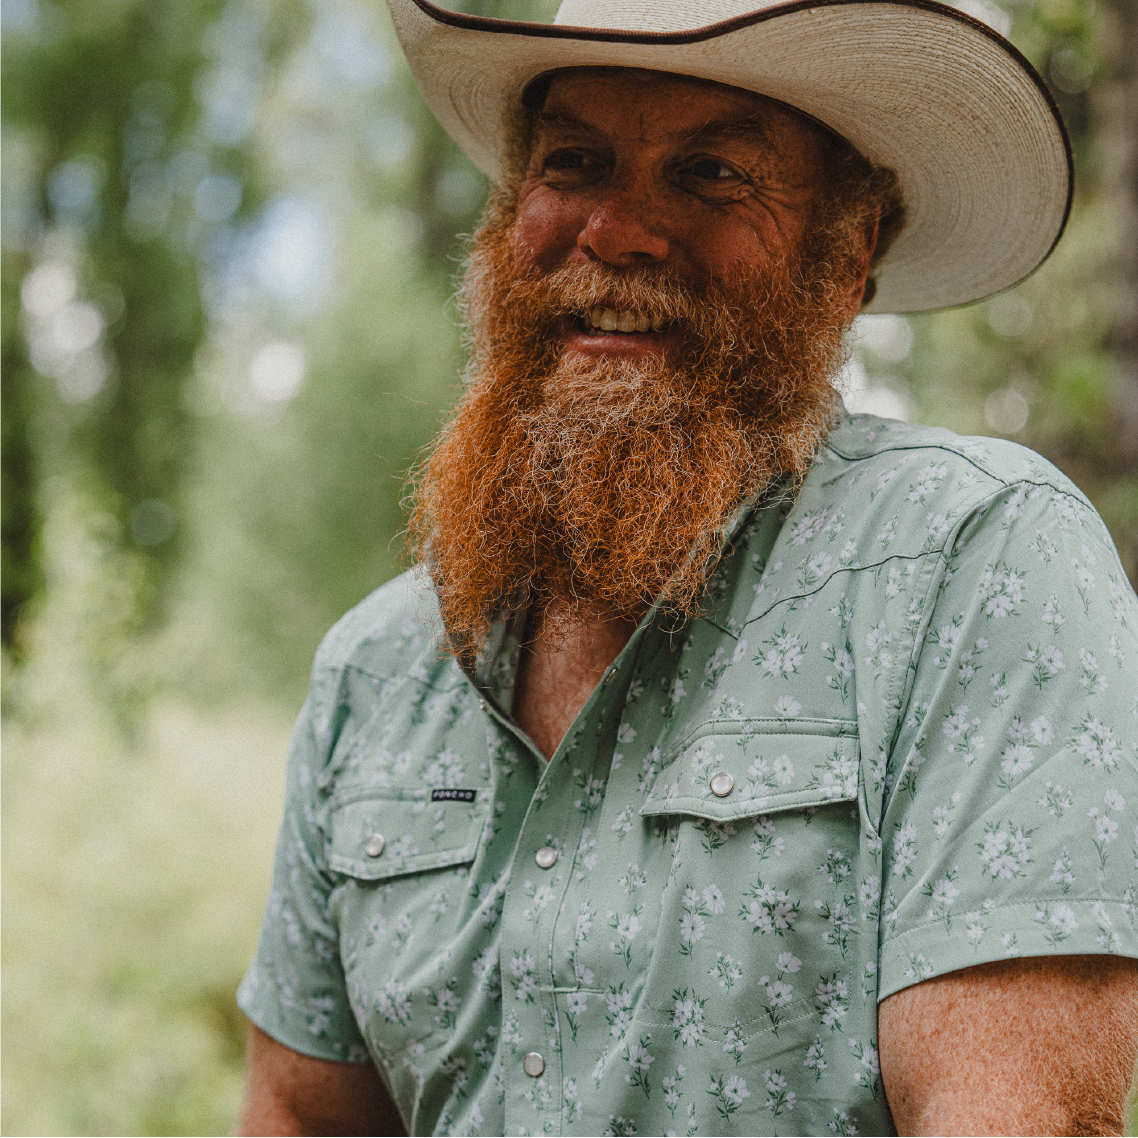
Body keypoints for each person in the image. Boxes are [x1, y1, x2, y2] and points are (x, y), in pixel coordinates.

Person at [236, 0, 1138, 1134]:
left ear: (848, 254)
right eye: (574, 162)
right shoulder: (375, 670)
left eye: (711, 172)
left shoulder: (969, 563)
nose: (615, 230)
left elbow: (1013, 1119)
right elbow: (299, 1113)